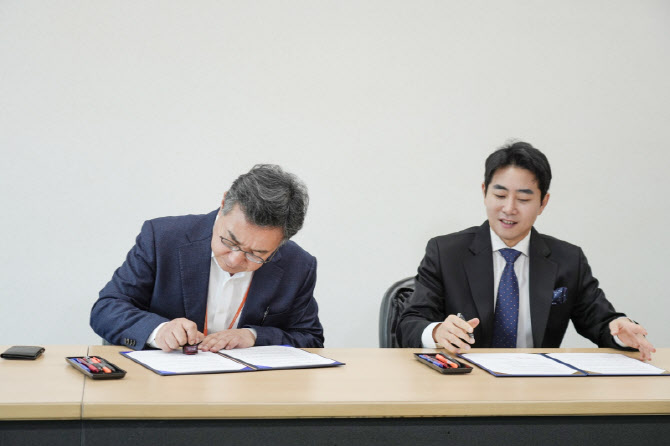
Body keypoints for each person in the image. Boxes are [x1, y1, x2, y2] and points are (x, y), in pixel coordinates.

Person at [397, 141, 655, 360]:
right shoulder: (446, 252)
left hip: (537, 386)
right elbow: (410, 323)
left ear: (543, 203)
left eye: (523, 199)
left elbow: (599, 320)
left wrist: (619, 330)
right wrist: (437, 332)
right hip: (464, 383)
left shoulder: (568, 259)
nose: (509, 208)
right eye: (500, 196)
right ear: (484, 192)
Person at [90, 164, 324, 352]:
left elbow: (310, 338)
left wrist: (253, 336)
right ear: (223, 204)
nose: (235, 260)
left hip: (247, 388)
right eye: (230, 241)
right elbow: (107, 309)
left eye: (257, 254)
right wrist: (159, 330)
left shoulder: (297, 265)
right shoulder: (162, 239)